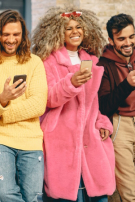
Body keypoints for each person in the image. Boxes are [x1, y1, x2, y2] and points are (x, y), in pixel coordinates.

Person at [32, 7, 115, 201]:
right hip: (60, 137)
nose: (75, 31)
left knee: (97, 191)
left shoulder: (92, 60)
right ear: (59, 32)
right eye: (68, 28)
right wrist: (72, 82)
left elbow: (93, 102)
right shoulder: (48, 62)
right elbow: (48, 98)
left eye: (78, 27)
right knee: (66, 193)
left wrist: (102, 121)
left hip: (90, 137)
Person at [0, 10, 47, 202]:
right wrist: (3, 98)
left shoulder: (34, 62)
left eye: (16, 34)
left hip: (30, 139)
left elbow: (38, 105)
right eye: (6, 34)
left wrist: (2, 112)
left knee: (33, 197)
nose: (11, 39)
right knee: (7, 194)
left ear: (23, 36)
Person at [98, 14, 135, 201]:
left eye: (131, 37)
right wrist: (127, 84)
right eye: (121, 39)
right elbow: (103, 106)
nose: (128, 43)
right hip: (121, 124)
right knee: (129, 188)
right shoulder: (103, 65)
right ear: (111, 40)